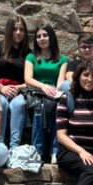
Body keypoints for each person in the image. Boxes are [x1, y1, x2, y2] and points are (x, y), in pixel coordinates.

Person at [24, 23, 68, 163]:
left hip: (53, 91)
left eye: (45, 35)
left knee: (58, 108)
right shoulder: (31, 57)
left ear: (51, 37)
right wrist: (43, 87)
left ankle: (55, 151)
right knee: (39, 108)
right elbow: (28, 78)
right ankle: (38, 150)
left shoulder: (62, 59)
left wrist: (55, 91)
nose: (41, 38)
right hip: (36, 91)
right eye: (38, 36)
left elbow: (61, 80)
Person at [0, 16, 30, 149]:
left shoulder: (27, 53)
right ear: (8, 30)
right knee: (1, 103)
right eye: (14, 29)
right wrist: (1, 88)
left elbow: (31, 79)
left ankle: (14, 147)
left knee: (19, 104)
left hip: (18, 90)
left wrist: (18, 88)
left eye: (21, 30)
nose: (18, 32)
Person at [61, 33, 93, 101]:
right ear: (78, 48)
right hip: (78, 92)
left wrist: (89, 84)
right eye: (84, 47)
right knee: (66, 84)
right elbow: (70, 78)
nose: (87, 50)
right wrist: (85, 85)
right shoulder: (73, 63)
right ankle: (73, 110)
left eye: (90, 46)